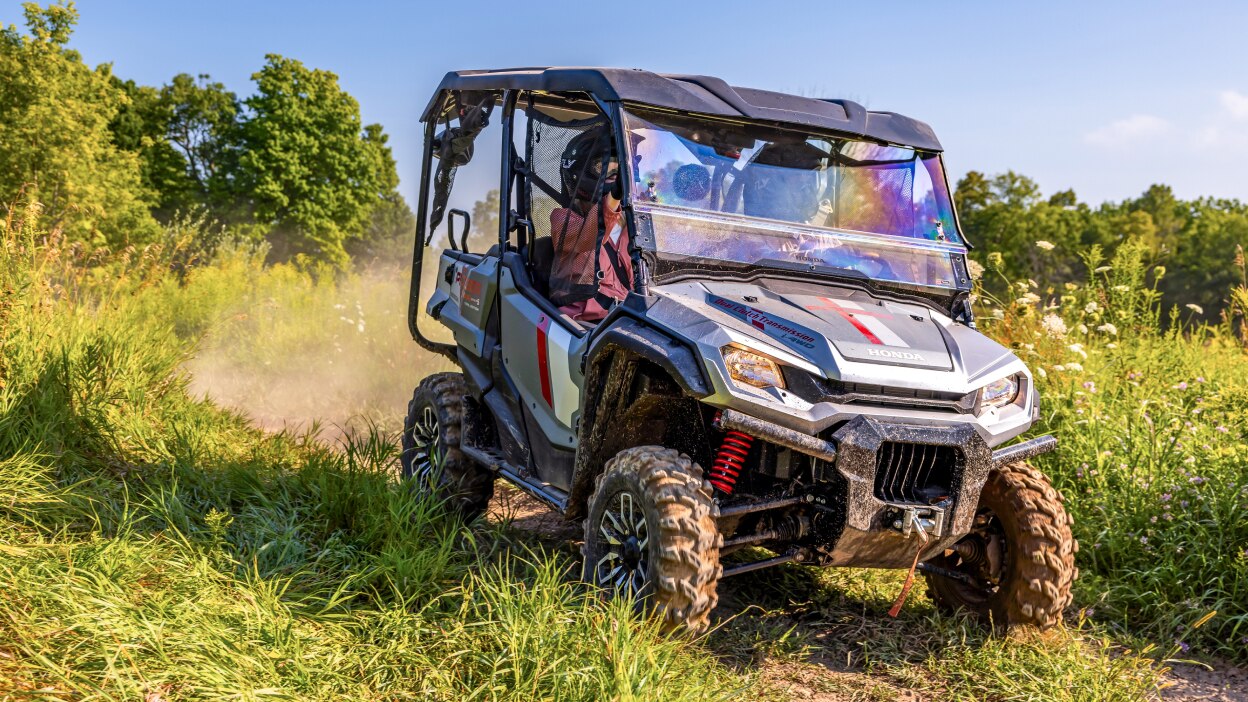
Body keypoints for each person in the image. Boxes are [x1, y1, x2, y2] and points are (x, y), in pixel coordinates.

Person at [548, 124, 633, 323]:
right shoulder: (562, 218)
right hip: (583, 322)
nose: (615, 174)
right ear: (580, 173)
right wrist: (615, 194)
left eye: (619, 167)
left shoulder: (632, 221)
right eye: (603, 166)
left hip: (627, 315)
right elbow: (588, 238)